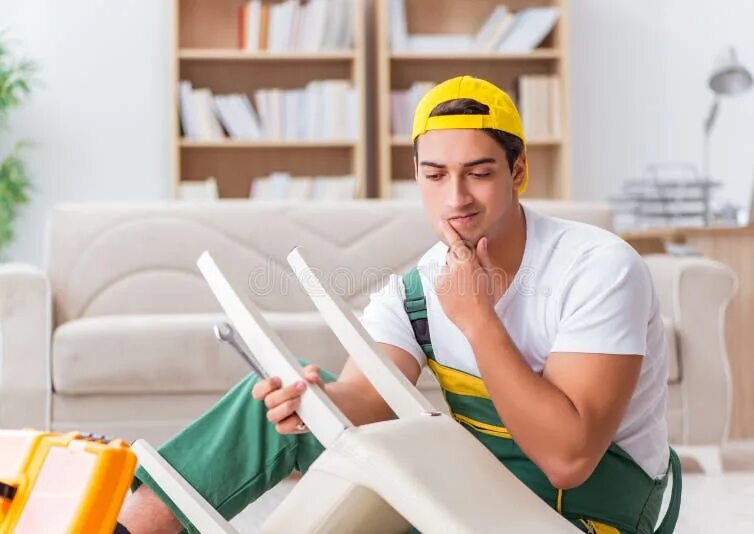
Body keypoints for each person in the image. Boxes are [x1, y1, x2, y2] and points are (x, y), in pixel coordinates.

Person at [118, 75, 680, 534]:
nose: (455, 198)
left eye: (479, 174)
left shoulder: (599, 268)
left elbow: (570, 460)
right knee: (269, 403)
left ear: (519, 171)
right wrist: (310, 403)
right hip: (471, 496)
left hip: (583, 513)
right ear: (416, 177)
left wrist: (478, 320)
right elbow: (367, 398)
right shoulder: (413, 291)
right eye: (435, 176)